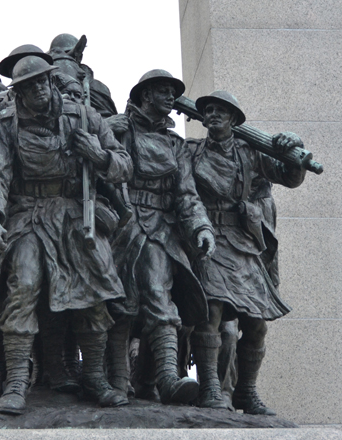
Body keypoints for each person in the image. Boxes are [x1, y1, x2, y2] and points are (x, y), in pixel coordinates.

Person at [0, 54, 133, 415]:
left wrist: (98, 155)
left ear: (50, 81)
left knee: (94, 291)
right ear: (18, 93)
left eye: (42, 83)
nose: (39, 91)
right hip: (27, 214)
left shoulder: (84, 115)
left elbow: (124, 165)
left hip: (76, 215)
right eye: (29, 87)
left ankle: (94, 376)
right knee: (24, 285)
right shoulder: (5, 125)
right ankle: (15, 381)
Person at [186, 90, 306, 415]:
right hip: (208, 239)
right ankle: (210, 387)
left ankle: (246, 392)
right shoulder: (192, 153)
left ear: (234, 119)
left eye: (220, 111)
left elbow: (289, 176)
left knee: (256, 325)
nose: (213, 115)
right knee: (208, 315)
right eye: (208, 110)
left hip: (242, 244)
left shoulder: (249, 153)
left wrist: (293, 148)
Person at [107, 70, 215, 404]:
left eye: (172, 91)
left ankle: (166, 378)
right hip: (120, 223)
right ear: (145, 95)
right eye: (163, 91)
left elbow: (186, 194)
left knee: (159, 294)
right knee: (117, 303)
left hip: (159, 229)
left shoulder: (174, 144)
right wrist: (104, 133)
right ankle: (118, 381)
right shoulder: (118, 129)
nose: (171, 97)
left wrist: (201, 227)